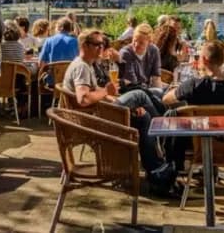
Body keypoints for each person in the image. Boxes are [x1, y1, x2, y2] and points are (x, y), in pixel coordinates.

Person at [61, 29, 169, 195]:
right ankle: (164, 131)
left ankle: (156, 172)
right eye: (97, 45)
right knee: (140, 93)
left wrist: (127, 105)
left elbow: (99, 95)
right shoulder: (82, 67)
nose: (101, 48)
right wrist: (106, 91)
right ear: (84, 45)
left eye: (102, 44)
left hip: (99, 115)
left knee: (144, 117)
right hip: (94, 121)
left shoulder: (87, 65)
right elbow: (83, 99)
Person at [161, 41, 224, 176]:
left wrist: (178, 88)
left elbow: (166, 99)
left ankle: (174, 166)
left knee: (174, 115)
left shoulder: (194, 85)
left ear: (203, 59)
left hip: (194, 142)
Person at [117, 23, 163, 92]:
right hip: (132, 91)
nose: (136, 45)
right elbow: (132, 83)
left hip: (146, 89)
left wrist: (160, 93)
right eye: (135, 40)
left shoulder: (154, 50)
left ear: (149, 42)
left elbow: (156, 78)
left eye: (141, 43)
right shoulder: (126, 53)